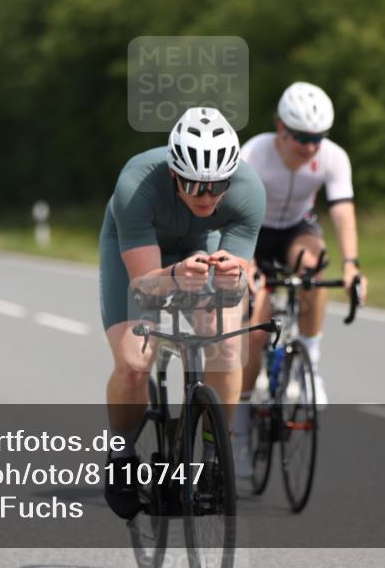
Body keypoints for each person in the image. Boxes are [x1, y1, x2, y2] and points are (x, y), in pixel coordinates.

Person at [99, 107, 266, 519]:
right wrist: (174, 274)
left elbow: (243, 280)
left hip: (200, 245)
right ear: (174, 173)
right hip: (141, 255)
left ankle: (213, 457)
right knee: (135, 362)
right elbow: (143, 285)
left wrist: (234, 277)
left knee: (227, 346)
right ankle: (121, 456)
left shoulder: (248, 190)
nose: (206, 196)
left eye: (217, 186)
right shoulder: (135, 185)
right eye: (193, 185)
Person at [232, 81, 369, 476]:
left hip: (296, 228)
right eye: (302, 138)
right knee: (256, 330)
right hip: (253, 232)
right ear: (280, 126)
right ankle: (239, 429)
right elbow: (233, 213)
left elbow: (342, 210)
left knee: (314, 268)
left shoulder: (333, 157)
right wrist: (244, 265)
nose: (310, 146)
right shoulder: (253, 153)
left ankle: (310, 362)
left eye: (318, 138)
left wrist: (352, 264)